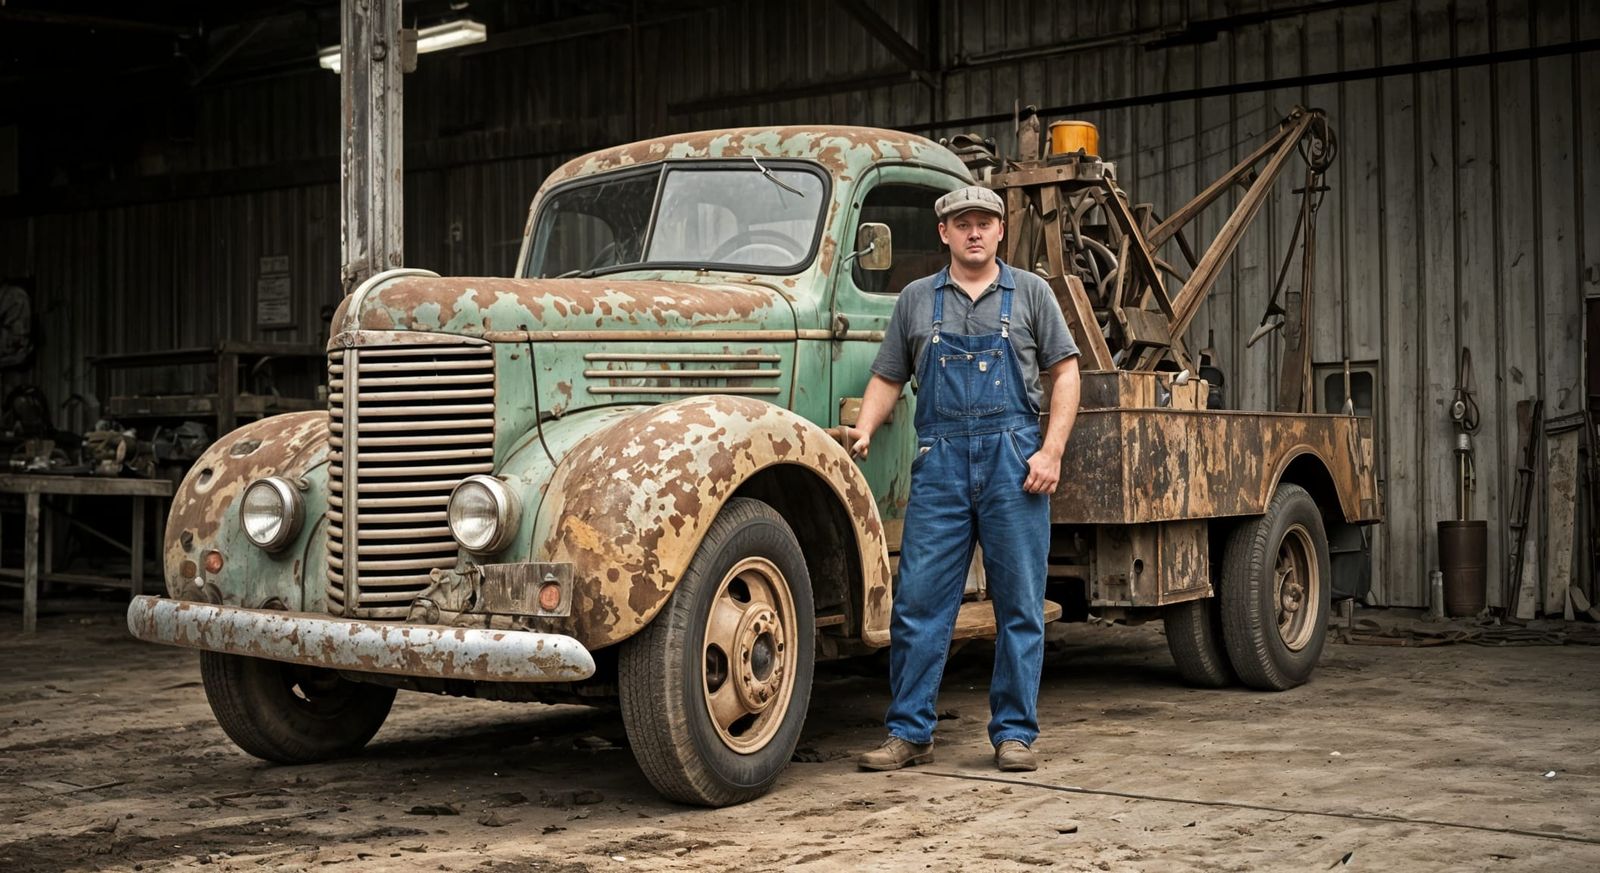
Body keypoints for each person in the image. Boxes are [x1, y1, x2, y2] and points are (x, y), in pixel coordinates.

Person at [850, 185, 1081, 773]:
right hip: (941, 463)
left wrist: (1051, 451)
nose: (974, 232)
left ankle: (1014, 734)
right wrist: (866, 428)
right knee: (920, 603)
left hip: (1014, 461)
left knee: (1019, 604)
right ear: (944, 233)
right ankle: (910, 732)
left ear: (1001, 230)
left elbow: (1066, 374)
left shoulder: (1031, 293)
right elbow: (887, 377)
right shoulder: (915, 300)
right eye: (962, 224)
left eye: (984, 222)